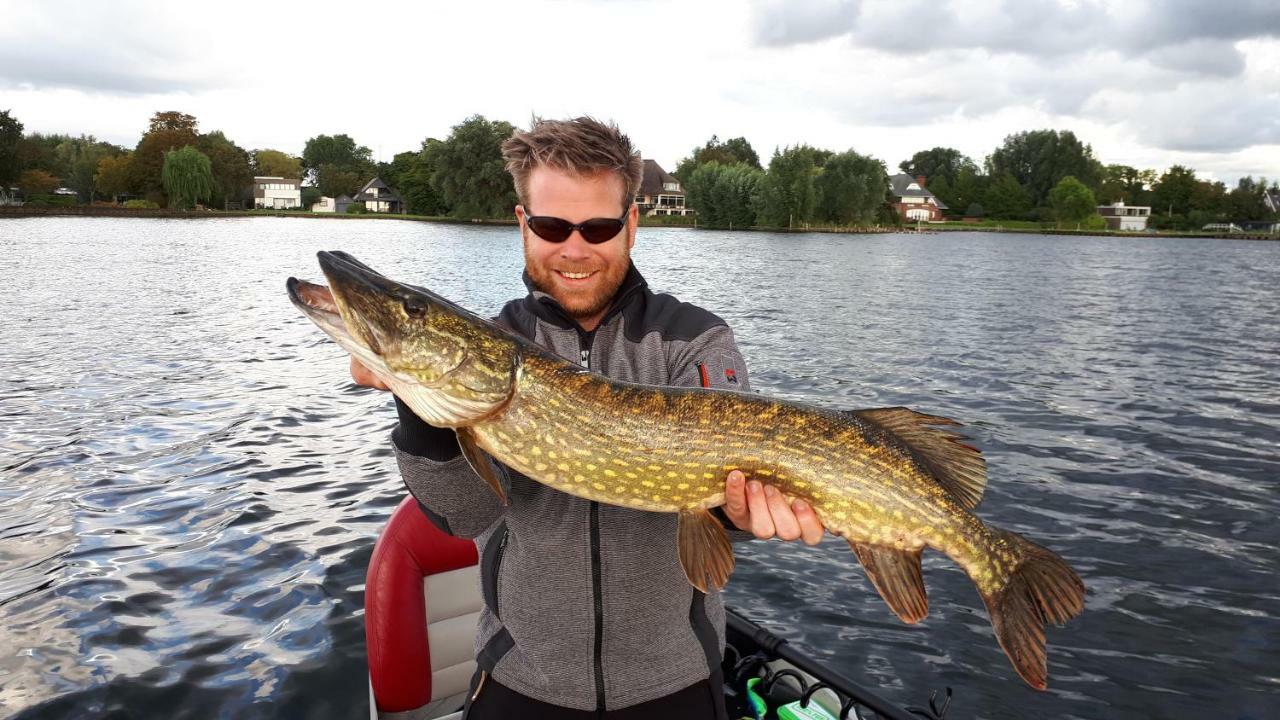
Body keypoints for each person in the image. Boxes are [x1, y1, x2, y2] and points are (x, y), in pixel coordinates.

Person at [351, 117, 827, 719]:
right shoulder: (496, 345)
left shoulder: (693, 339)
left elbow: (722, 497)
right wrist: (418, 406)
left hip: (676, 681)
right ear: (522, 224)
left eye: (598, 227)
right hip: (523, 678)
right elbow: (463, 515)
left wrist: (736, 514)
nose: (575, 250)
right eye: (552, 225)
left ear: (631, 225)